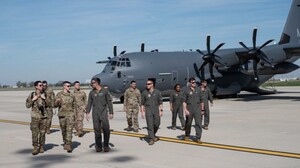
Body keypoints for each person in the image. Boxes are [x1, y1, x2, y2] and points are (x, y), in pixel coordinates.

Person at [86, 78, 114, 152]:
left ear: (97, 83)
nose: (92, 84)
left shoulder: (105, 91)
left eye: (93, 83)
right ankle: (98, 146)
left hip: (104, 113)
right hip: (95, 113)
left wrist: (111, 112)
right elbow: (89, 103)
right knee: (97, 130)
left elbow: (109, 102)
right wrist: (87, 112)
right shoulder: (92, 93)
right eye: (91, 83)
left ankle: (106, 145)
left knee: (106, 129)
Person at [25, 81, 48, 155]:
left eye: (42, 85)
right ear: (36, 86)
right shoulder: (32, 95)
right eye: (40, 85)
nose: (42, 86)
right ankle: (35, 147)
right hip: (35, 117)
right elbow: (27, 105)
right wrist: (33, 99)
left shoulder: (45, 94)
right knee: (34, 133)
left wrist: (45, 99)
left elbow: (51, 105)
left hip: (43, 117)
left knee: (43, 133)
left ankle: (41, 146)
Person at [54, 81, 76, 153]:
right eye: (67, 86)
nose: (69, 87)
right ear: (64, 86)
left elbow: (74, 105)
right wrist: (57, 102)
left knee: (69, 130)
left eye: (69, 86)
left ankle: (68, 144)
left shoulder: (72, 95)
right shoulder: (59, 95)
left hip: (70, 115)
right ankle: (65, 141)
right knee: (64, 130)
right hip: (62, 115)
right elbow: (54, 105)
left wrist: (74, 114)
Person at [141, 79, 163, 145]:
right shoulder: (144, 93)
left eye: (149, 84)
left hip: (156, 109)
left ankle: (153, 134)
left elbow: (161, 102)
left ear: (152, 84)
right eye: (146, 84)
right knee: (150, 125)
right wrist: (142, 112)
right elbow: (142, 103)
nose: (147, 85)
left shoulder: (157, 92)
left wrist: (161, 110)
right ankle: (151, 139)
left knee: (157, 124)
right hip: (148, 110)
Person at [183, 77, 203, 144]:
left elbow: (201, 100)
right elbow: (184, 102)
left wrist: (202, 109)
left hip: (197, 108)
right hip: (189, 108)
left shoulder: (198, 89)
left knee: (198, 123)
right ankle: (187, 135)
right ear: (189, 83)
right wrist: (185, 110)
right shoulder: (186, 90)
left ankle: (198, 138)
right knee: (188, 123)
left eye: (195, 82)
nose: (194, 83)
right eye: (193, 82)